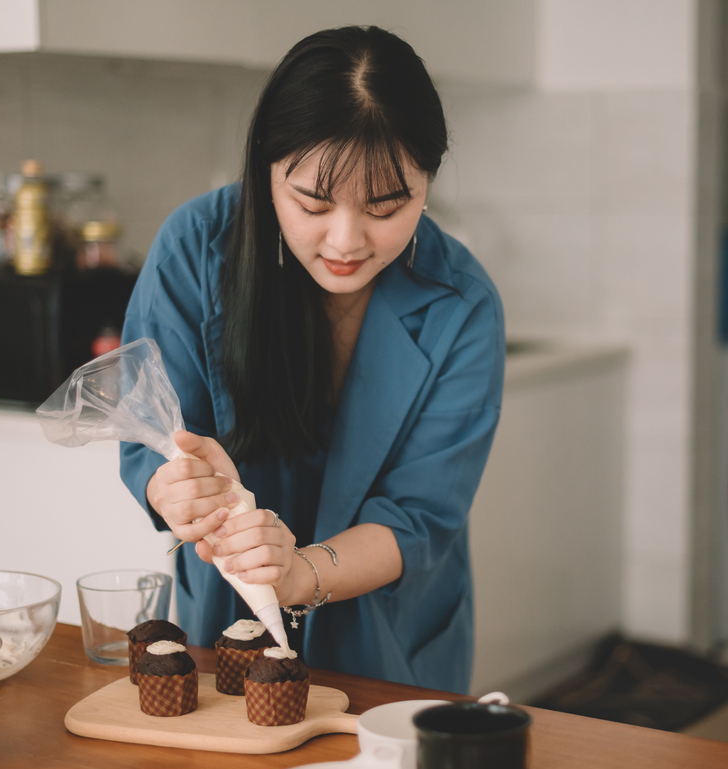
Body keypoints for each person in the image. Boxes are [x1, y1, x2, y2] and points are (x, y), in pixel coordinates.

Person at [119, 26, 504, 693]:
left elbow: (418, 516)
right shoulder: (195, 248)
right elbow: (153, 432)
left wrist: (299, 573)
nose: (346, 240)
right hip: (227, 624)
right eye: (311, 203)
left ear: (428, 181)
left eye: (387, 205)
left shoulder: (462, 303)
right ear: (266, 167)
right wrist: (171, 489)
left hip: (392, 641)